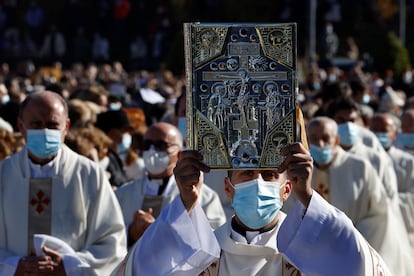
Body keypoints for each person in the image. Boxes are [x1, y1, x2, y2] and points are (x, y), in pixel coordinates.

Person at [113, 142, 392, 275]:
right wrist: (186, 202)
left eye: (269, 174)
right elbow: (142, 271)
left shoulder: (309, 253)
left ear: (287, 189)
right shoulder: (203, 254)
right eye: (246, 173)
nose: (257, 182)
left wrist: (309, 197)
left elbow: (358, 267)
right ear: (227, 188)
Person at [0, 91, 127, 275]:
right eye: (36, 124)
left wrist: (69, 265)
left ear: (66, 126)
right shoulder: (3, 174)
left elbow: (112, 242)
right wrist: (13, 266)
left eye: (52, 125)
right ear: (21, 126)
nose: (45, 131)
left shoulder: (89, 174)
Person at [305, 116, 413, 275]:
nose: (320, 144)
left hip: (356, 253)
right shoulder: (302, 173)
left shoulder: (360, 168)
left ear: (336, 140)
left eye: (325, 138)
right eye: (314, 139)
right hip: (315, 257)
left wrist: (348, 240)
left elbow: (379, 214)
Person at [115, 122, 226, 247]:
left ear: (179, 153)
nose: (152, 151)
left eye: (161, 145)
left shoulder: (205, 197)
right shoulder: (122, 194)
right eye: (147, 145)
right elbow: (106, 236)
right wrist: (131, 232)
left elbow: (215, 241)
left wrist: (163, 231)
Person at [369, 112, 414, 250]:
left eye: (384, 131)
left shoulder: (407, 162)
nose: (379, 135)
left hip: (402, 233)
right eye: (375, 131)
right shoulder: (362, 160)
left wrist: (382, 201)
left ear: (394, 134)